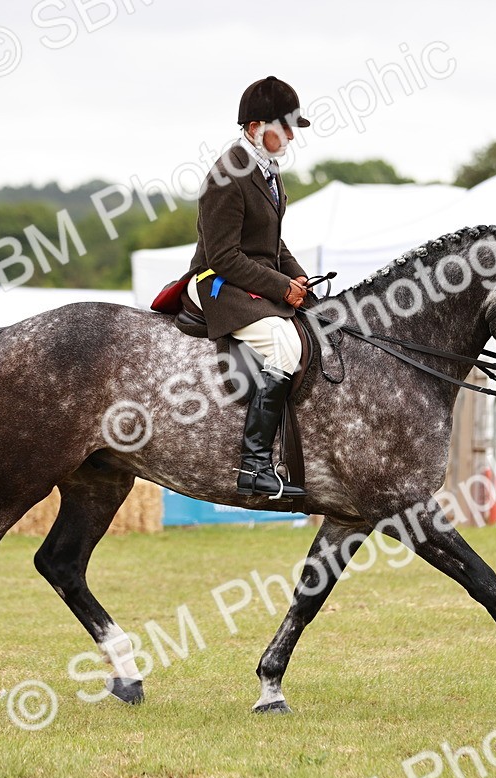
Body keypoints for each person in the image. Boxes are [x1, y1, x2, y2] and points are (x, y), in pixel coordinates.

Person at [174, 76, 312, 499]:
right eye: (284, 128)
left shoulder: (268, 172)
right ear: (255, 128)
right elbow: (223, 257)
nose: (291, 137)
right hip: (216, 282)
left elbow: (273, 243)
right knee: (284, 345)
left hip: (248, 280)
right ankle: (254, 465)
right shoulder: (226, 176)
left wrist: (298, 277)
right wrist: (280, 287)